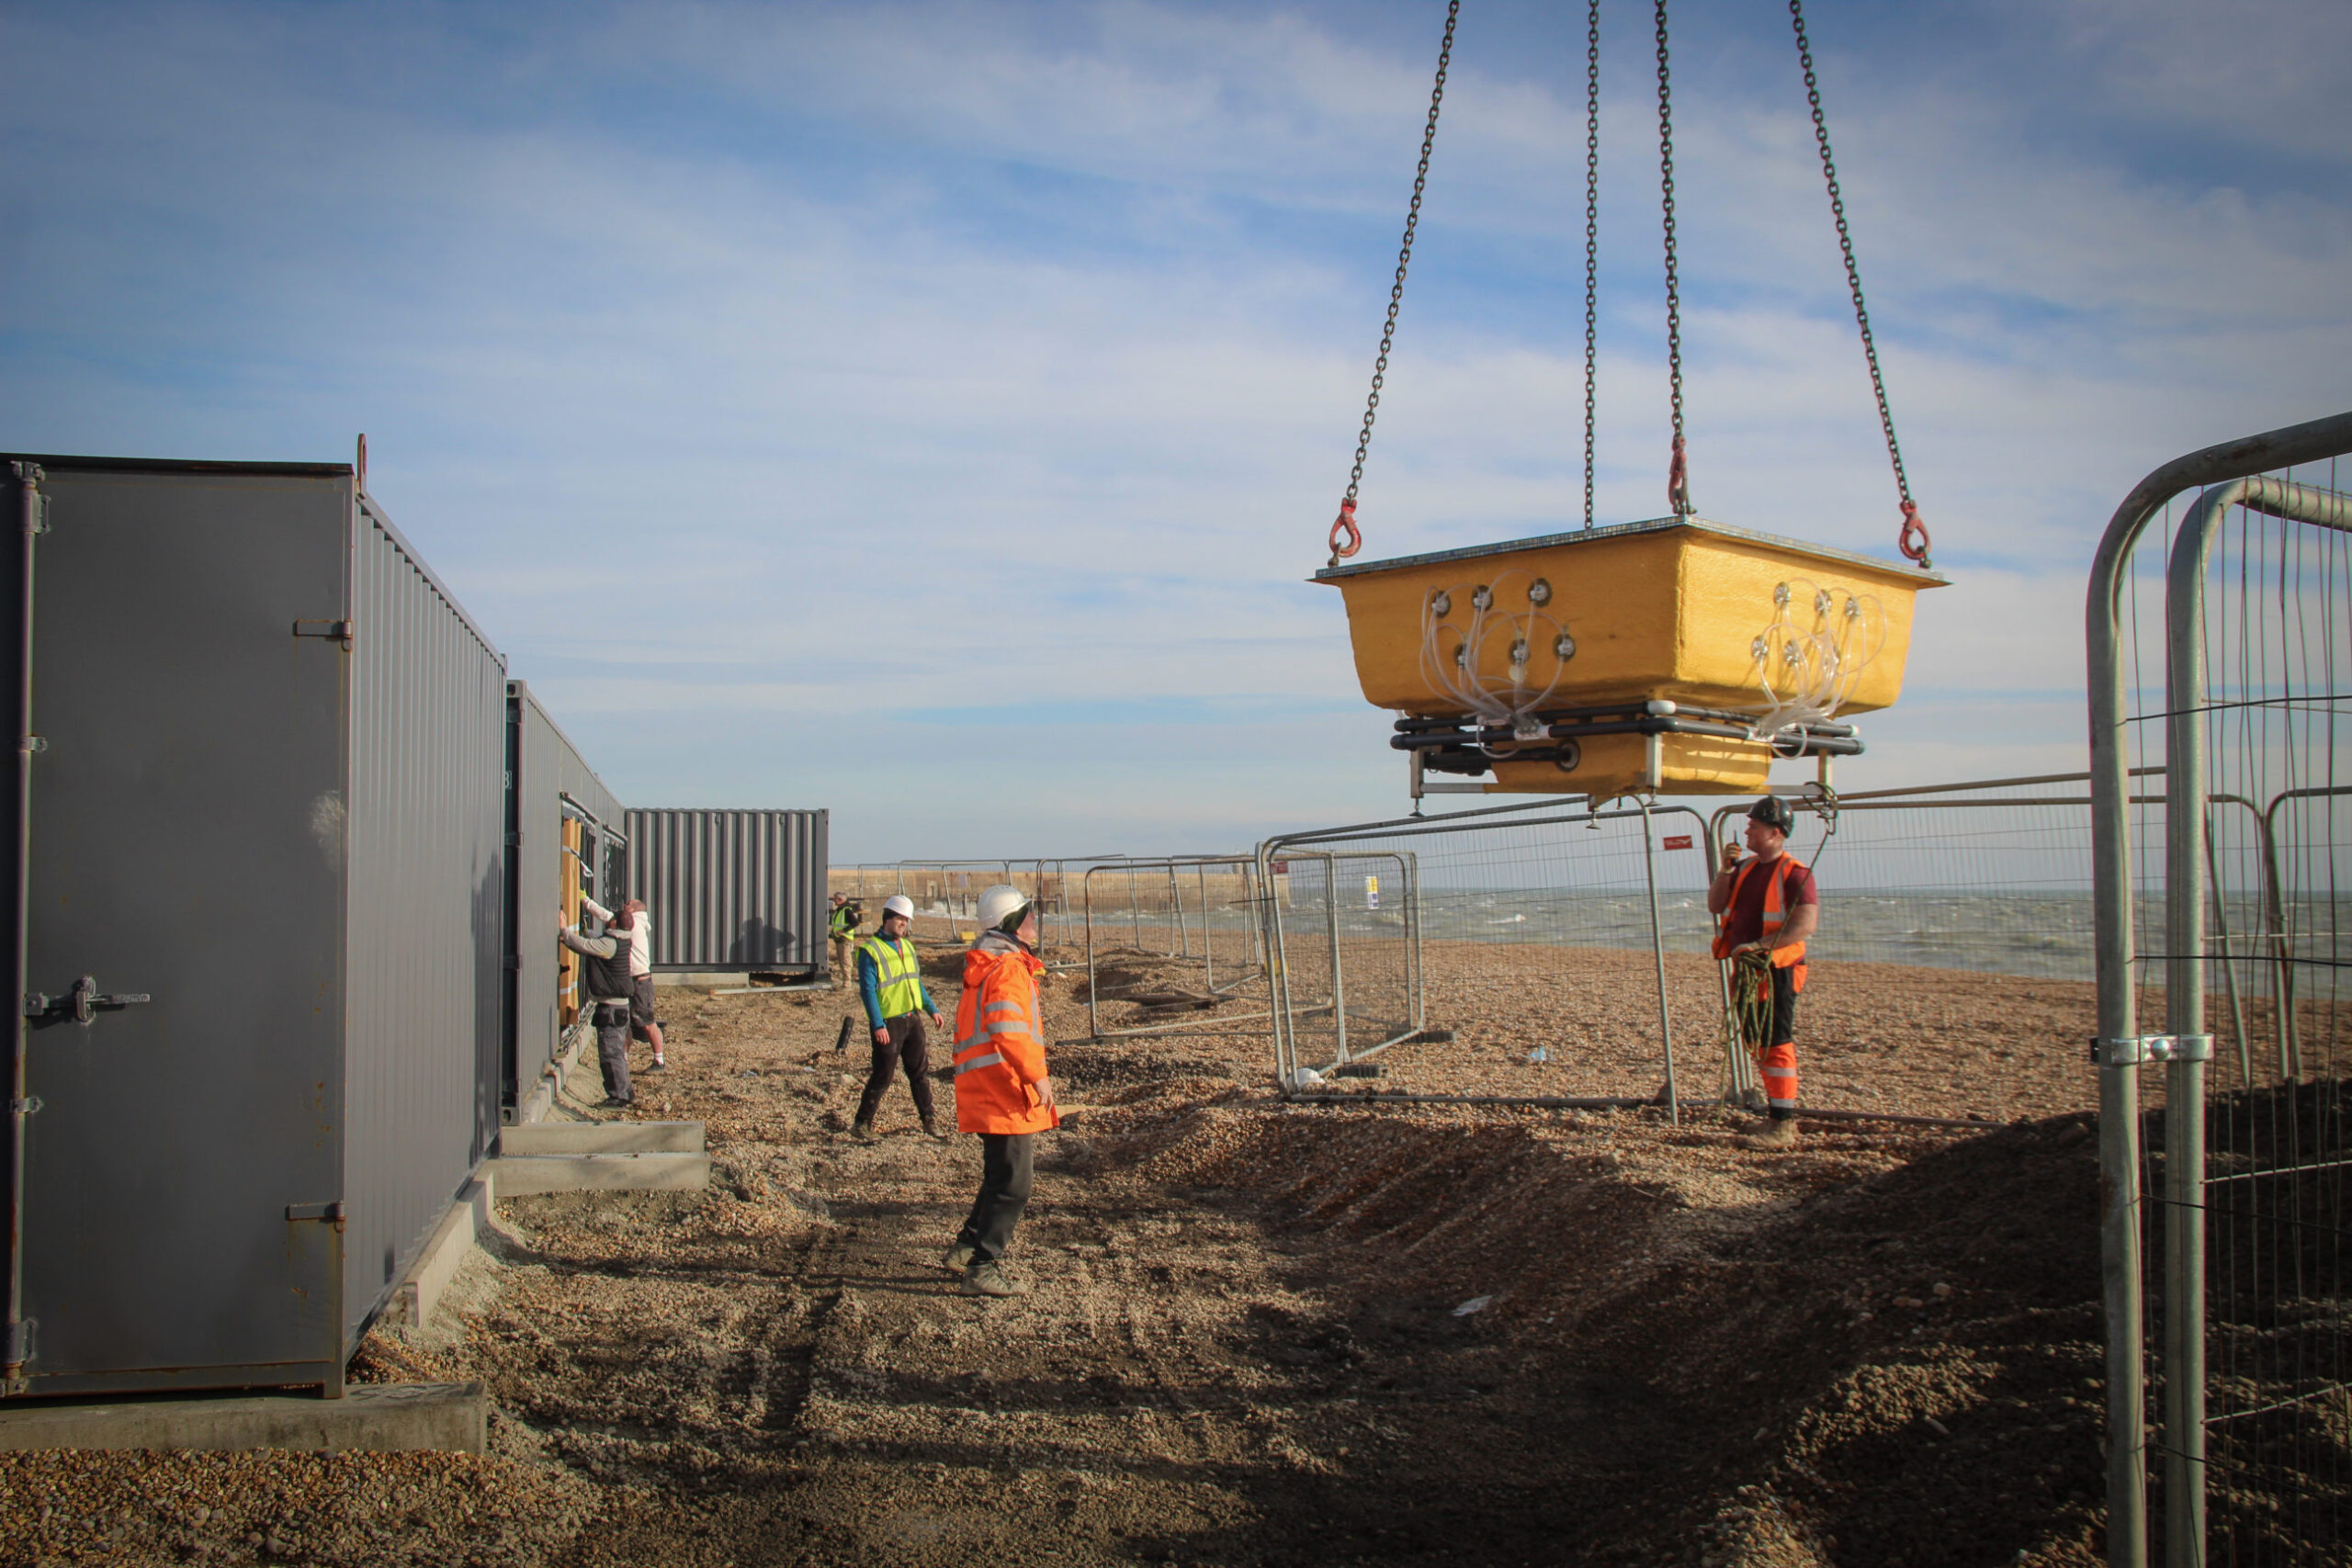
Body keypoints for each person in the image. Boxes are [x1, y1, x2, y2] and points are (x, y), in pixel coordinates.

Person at [944, 884, 1057, 1298]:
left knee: (998, 1177)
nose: (1033, 922)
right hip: (1007, 1090)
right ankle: (982, 1267)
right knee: (1014, 1184)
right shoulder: (1007, 968)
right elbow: (1009, 1029)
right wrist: (1036, 1076)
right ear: (1010, 923)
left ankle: (966, 1247)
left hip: (987, 1088)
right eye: (1027, 916)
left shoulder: (987, 965)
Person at [1707, 795, 1819, 1150]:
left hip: (1777, 971)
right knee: (1759, 1042)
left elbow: (1805, 923)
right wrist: (1726, 869)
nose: (1747, 830)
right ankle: (1776, 1115)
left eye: (1754, 826)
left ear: (1774, 832)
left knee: (1776, 1043)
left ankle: (1784, 1124)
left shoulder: (1795, 873)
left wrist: (1761, 947)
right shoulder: (1745, 869)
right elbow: (1715, 904)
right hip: (1749, 970)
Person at [852, 894, 948, 1139]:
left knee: (920, 1073)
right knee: (883, 1075)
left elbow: (915, 983)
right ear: (887, 919)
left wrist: (932, 1009)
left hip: (912, 1019)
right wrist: (877, 1024)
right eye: (900, 919)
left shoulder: (907, 946)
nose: (904, 924)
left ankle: (929, 1120)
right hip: (889, 1023)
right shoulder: (870, 951)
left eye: (907, 920)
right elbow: (868, 992)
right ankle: (862, 1124)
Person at [558, 908, 638, 1109]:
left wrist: (564, 931)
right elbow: (594, 943)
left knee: (611, 1054)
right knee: (617, 1052)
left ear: (614, 924)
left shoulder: (610, 944)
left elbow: (587, 946)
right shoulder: (621, 941)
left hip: (611, 1010)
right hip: (619, 1009)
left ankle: (618, 1096)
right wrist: (584, 932)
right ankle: (625, 1090)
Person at [582, 892, 663, 1070]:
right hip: (632, 981)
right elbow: (611, 941)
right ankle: (623, 1060)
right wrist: (588, 933)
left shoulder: (633, 923)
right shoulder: (631, 928)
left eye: (628, 904)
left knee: (648, 1023)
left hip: (641, 982)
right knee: (625, 1023)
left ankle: (659, 1060)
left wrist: (586, 902)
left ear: (634, 910)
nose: (624, 906)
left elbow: (608, 917)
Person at [828, 894, 862, 984]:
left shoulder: (847, 910)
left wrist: (843, 931)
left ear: (841, 899)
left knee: (846, 961)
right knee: (842, 961)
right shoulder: (840, 910)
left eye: (836, 899)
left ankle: (847, 983)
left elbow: (855, 923)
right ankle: (845, 981)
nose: (834, 901)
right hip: (839, 939)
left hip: (845, 939)